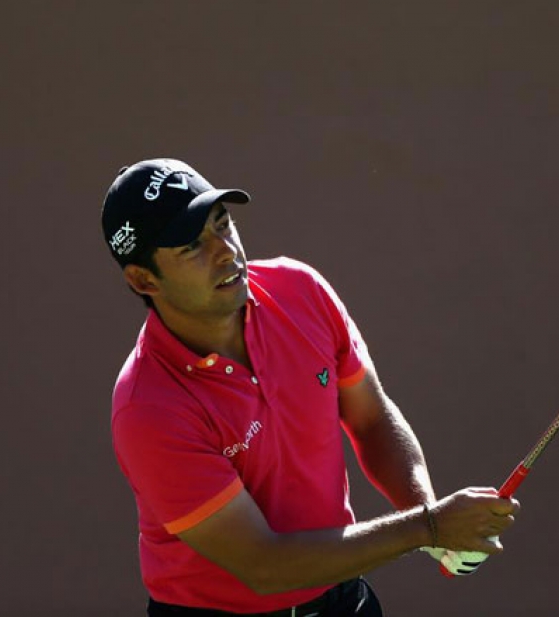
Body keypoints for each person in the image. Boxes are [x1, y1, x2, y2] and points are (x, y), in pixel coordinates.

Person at [100, 158, 520, 616]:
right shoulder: (148, 407)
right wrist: (427, 527)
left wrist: (430, 517)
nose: (225, 251)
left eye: (222, 224)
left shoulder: (299, 291)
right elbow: (264, 566)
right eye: (192, 246)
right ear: (143, 279)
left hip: (342, 599)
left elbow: (371, 419)